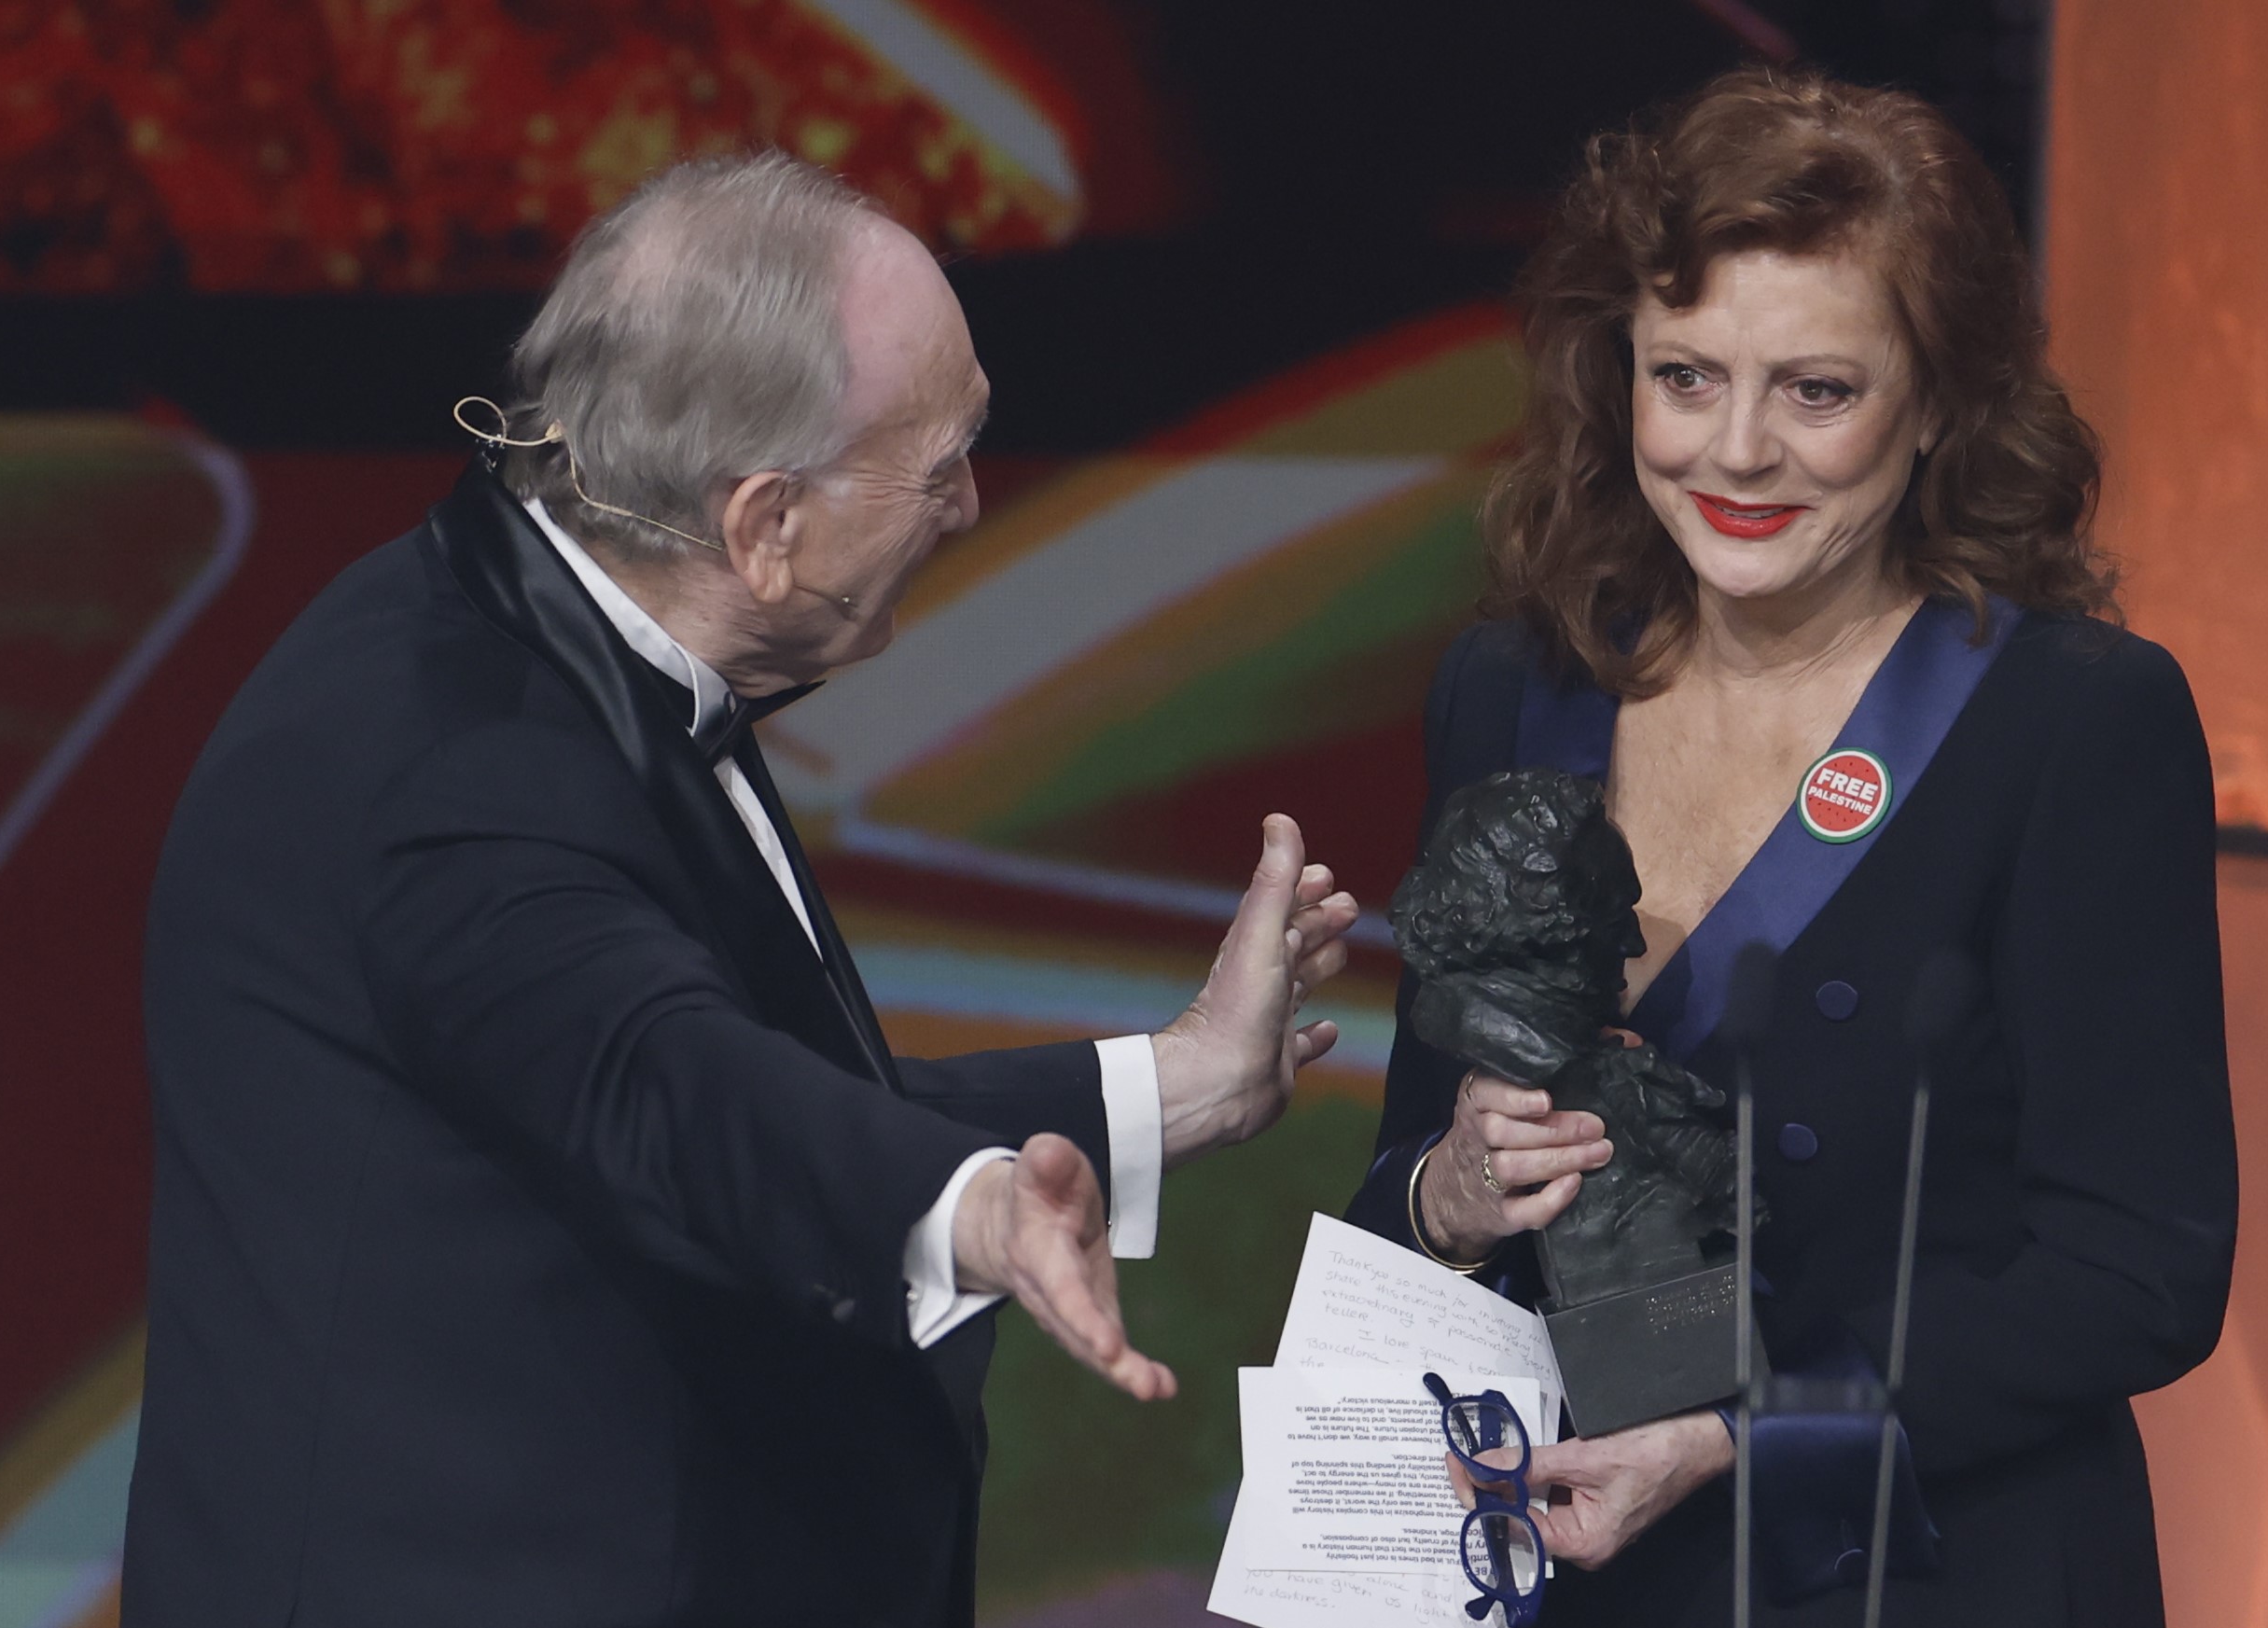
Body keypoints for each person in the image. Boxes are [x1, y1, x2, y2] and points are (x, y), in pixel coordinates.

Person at [123, 152, 1360, 1628]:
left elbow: (784, 1089)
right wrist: (960, 1207)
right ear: (766, 526)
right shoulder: (445, 769)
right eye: (940, 459)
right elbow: (674, 1089)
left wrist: (1179, 1088)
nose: (970, 503)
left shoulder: (552, 629)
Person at [1342, 69, 2236, 1625]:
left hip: (1929, 1567)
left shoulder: (2075, 720)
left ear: (1940, 403)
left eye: (1816, 392)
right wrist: (1447, 1195)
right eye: (1685, 377)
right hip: (1590, 1567)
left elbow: (2136, 1266)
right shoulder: (1512, 689)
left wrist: (1736, 1435)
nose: (1736, 451)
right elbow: (1418, 1166)